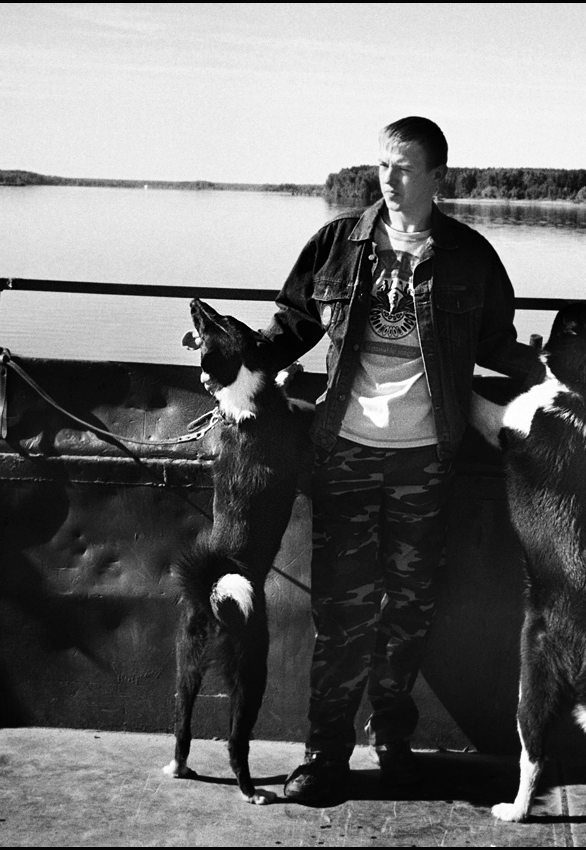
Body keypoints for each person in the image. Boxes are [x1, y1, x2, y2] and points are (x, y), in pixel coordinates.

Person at [212, 116, 544, 802]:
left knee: (410, 610)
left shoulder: (471, 256)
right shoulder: (338, 243)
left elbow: (497, 344)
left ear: (436, 177)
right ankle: (324, 754)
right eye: (382, 166)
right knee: (341, 611)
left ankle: (392, 739)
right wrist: (232, 364)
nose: (387, 180)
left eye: (403, 168)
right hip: (346, 453)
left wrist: (561, 377)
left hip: (426, 459)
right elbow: (291, 327)